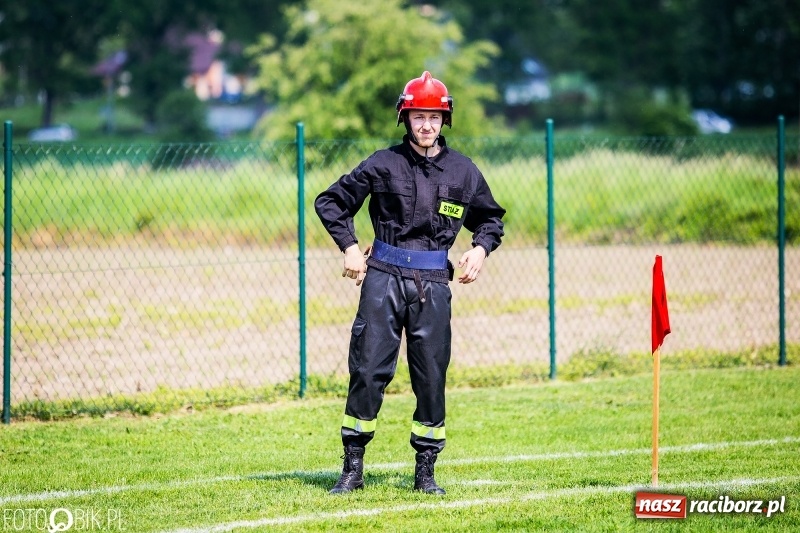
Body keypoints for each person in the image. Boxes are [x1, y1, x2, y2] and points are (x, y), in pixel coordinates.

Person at [314, 71, 506, 495]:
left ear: (445, 120)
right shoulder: (383, 163)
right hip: (382, 277)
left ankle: (426, 472)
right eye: (419, 116)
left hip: (433, 284)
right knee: (367, 371)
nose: (426, 125)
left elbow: (491, 219)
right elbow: (330, 202)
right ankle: (352, 468)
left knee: (431, 376)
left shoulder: (463, 171)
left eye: (434, 117)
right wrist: (349, 247)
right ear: (406, 117)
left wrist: (480, 249)